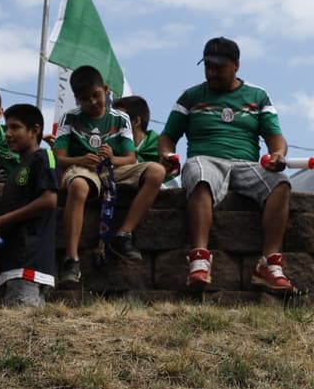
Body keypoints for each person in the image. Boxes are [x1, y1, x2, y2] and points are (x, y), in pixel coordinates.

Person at [158, 37, 295, 293]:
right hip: (205, 159)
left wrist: (277, 154)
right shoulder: (190, 97)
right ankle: (199, 259)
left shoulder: (258, 96)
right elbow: (168, 136)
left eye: (218, 67)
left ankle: (269, 264)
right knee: (199, 176)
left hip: (246, 163)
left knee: (281, 184)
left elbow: (276, 138)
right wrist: (167, 154)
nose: (212, 72)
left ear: (236, 65)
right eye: (208, 66)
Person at [53, 65, 166, 286]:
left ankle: (124, 234)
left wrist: (113, 158)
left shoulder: (120, 118)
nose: (93, 102)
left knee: (156, 171)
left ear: (105, 90)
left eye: (96, 95)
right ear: (77, 99)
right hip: (84, 169)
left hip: (114, 168)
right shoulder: (70, 118)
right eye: (86, 99)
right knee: (78, 187)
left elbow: (130, 159)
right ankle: (71, 259)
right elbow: (59, 158)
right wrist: (81, 160)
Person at [0, 103, 59, 307]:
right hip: (8, 267)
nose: (7, 133)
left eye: (15, 127)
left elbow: (49, 200)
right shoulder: (15, 171)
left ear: (34, 130)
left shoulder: (44, 157)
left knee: (23, 332)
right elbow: (11, 219)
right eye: (6, 127)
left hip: (28, 265)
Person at [112, 95, 160, 164]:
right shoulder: (110, 145)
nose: (113, 123)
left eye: (119, 118)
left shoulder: (160, 147)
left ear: (136, 121)